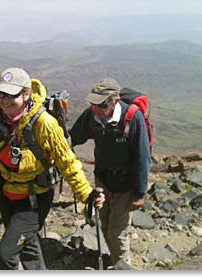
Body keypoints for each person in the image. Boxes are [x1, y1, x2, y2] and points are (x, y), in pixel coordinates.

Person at [0, 67, 105, 270]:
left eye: (11, 95)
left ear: (26, 94)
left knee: (6, 254)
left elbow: (67, 162)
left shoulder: (44, 123)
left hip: (34, 199)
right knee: (28, 247)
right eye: (1, 94)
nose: (5, 100)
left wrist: (87, 195)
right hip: (6, 194)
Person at [69, 78, 151, 269]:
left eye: (102, 104)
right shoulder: (92, 115)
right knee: (104, 224)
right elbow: (74, 136)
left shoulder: (133, 118)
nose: (96, 108)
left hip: (126, 184)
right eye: (94, 103)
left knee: (117, 231)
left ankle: (124, 267)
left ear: (115, 100)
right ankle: (114, 261)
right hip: (103, 180)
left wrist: (139, 193)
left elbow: (142, 157)